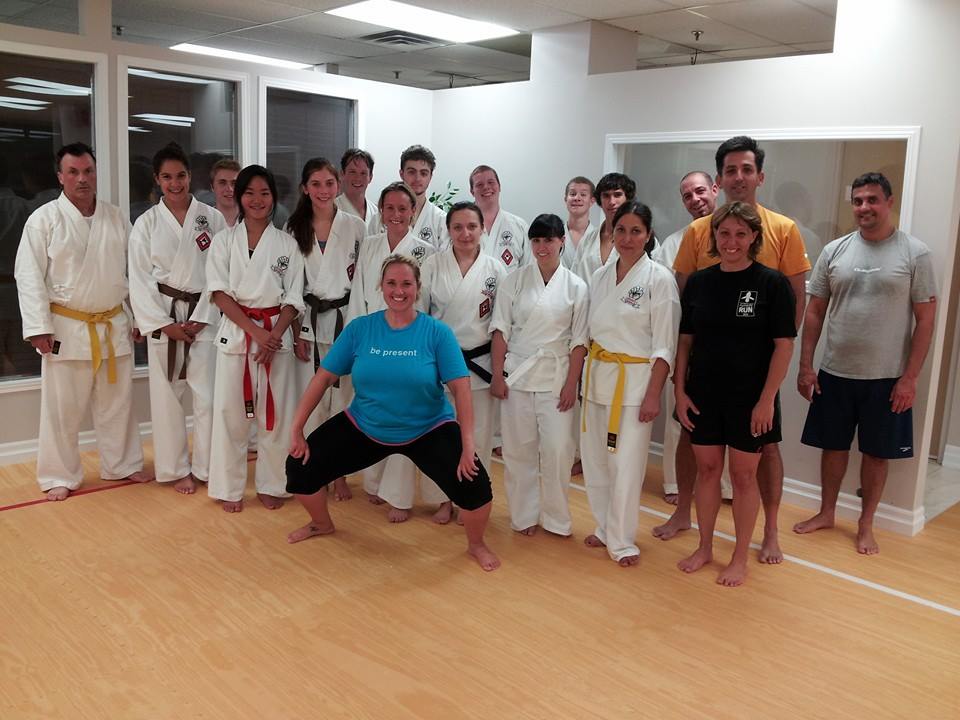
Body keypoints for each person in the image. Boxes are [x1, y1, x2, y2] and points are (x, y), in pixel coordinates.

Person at [286, 255, 501, 571]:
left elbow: (461, 390)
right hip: (366, 425)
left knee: (475, 484)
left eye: (406, 284)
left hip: (428, 428)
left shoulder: (437, 333)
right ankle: (321, 523)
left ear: (417, 288)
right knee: (300, 466)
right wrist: (296, 429)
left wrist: (468, 446)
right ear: (381, 286)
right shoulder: (361, 329)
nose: (399, 291)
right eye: (391, 283)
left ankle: (476, 544)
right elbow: (323, 378)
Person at [666, 136, 811, 563]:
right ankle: (686, 516)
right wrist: (681, 382)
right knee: (695, 445)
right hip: (706, 375)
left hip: (756, 376)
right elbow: (684, 306)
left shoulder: (782, 229)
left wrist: (773, 365)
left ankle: (770, 532)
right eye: (731, 170)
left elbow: (796, 300)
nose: (739, 177)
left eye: (747, 169)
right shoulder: (698, 232)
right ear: (720, 178)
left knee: (765, 453)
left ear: (760, 176)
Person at [794, 172, 937, 555]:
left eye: (872, 200)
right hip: (834, 372)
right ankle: (826, 512)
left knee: (876, 453)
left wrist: (910, 378)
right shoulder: (834, 250)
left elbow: (925, 321)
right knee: (832, 447)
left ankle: (865, 524)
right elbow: (814, 312)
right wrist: (806, 366)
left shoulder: (915, 254)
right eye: (858, 201)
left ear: (889, 202)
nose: (864, 207)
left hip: (887, 378)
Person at [14, 142, 150, 499]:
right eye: (73, 172)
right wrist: (38, 328)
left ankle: (122, 463)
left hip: (113, 324)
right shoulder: (43, 220)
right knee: (62, 410)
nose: (82, 179)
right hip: (66, 327)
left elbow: (135, 272)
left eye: (88, 171)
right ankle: (58, 475)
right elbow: (28, 276)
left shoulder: (116, 217)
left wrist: (139, 316)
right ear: (60, 176)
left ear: (96, 173)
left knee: (118, 404)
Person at [674, 202, 796, 587]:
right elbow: (685, 342)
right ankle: (705, 547)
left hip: (750, 399)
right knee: (708, 472)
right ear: (714, 236)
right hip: (703, 395)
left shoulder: (772, 284)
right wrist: (679, 391)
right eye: (724, 233)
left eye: (741, 234)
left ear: (754, 237)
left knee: (743, 478)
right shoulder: (699, 283)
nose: (731, 241)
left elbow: (784, 346)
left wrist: (767, 400)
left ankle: (740, 557)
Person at [580, 201, 679, 565]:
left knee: (625, 466)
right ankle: (604, 527)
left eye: (636, 231)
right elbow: (588, 331)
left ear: (648, 235)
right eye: (620, 230)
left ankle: (622, 541)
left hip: (635, 385)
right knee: (595, 461)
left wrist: (654, 394)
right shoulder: (600, 275)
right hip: (597, 378)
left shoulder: (659, 279)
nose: (627, 238)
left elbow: (665, 345)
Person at [205, 164, 306, 512]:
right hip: (238, 335)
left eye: (264, 193)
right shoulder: (223, 241)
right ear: (239, 196)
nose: (257, 200)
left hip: (276, 338)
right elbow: (219, 294)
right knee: (230, 415)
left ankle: (273, 484)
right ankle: (228, 488)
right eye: (250, 193)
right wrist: (257, 333)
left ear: (274, 198)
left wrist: (273, 335)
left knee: (276, 416)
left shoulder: (287, 244)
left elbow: (294, 297)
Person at [128, 143, 225, 495]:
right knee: (167, 398)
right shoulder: (146, 224)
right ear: (157, 179)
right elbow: (139, 278)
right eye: (167, 177)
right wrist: (162, 323)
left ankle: (207, 466)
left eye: (180, 175)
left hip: (204, 314)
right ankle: (174, 469)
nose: (175, 183)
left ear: (190, 176)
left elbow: (220, 272)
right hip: (164, 314)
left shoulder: (212, 218)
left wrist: (202, 317)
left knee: (207, 396)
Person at [490, 213, 588, 536]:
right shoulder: (514, 281)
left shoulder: (576, 287)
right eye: (536, 240)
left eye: (549, 240)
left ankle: (557, 520)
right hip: (517, 376)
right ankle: (524, 517)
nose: (542, 246)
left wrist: (572, 384)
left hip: (556, 378)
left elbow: (579, 342)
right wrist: (497, 375)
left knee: (558, 452)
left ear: (562, 242)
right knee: (518, 451)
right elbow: (500, 330)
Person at [347, 181, 436, 520]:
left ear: (413, 212)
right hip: (372, 338)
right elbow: (359, 296)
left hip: (409, 341)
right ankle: (373, 483)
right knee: (373, 411)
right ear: (381, 212)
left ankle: (399, 495)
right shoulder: (370, 245)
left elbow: (428, 303)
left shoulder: (426, 251)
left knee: (404, 417)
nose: (396, 214)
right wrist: (356, 342)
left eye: (403, 208)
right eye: (390, 208)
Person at [419, 201, 506, 523]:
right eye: (458, 227)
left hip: (479, 364)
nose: (465, 233)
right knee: (440, 434)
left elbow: (501, 325)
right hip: (440, 363)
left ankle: (471, 498)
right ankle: (442, 499)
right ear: (448, 230)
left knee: (477, 436)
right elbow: (420, 317)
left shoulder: (496, 270)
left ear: (482, 229)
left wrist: (499, 371)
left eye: (472, 226)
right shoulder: (432, 265)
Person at [286, 157, 366, 502]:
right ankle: (314, 471)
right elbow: (290, 286)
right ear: (305, 188)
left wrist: (360, 331)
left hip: (346, 321)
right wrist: (296, 332)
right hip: (309, 324)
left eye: (329, 183)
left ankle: (340, 474)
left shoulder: (356, 226)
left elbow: (363, 282)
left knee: (344, 403)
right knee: (313, 404)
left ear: (338, 185)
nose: (323, 190)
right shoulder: (294, 228)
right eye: (316, 184)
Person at [647, 170, 726, 513]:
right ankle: (675, 483)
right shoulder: (674, 243)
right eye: (687, 196)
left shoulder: (737, 234)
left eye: (700, 191)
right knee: (680, 417)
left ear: (715, 189)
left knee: (728, 420)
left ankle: (723, 485)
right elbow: (667, 296)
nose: (695, 200)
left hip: (730, 345)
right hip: (686, 341)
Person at [574, 173, 635, 285]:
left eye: (617, 195)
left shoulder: (640, 240)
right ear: (599, 201)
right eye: (606, 196)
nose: (612, 202)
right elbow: (574, 281)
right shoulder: (587, 240)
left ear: (627, 198)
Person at [470, 165, 528, 273]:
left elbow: (529, 270)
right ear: (472, 191)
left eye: (491, 182)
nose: (486, 187)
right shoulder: (462, 228)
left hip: (510, 284)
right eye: (479, 185)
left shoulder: (519, 226)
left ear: (499, 186)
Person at [400, 145, 448, 251]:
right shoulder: (383, 217)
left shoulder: (441, 220)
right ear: (401, 174)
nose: (417, 178)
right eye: (411, 172)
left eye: (423, 173)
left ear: (430, 176)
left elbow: (445, 258)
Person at [335, 148, 381, 236]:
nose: (358, 178)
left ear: (370, 177)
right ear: (342, 174)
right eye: (352, 172)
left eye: (363, 173)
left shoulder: (377, 213)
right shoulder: (332, 210)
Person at [562, 176, 595, 269]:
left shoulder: (598, 238)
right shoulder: (554, 235)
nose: (577, 198)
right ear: (566, 199)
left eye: (583, 194)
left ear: (592, 201)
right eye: (572, 194)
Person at [210, 159, 241, 228]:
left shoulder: (253, 221)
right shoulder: (202, 222)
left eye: (234, 183)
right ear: (212, 187)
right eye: (222, 183)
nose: (229, 189)